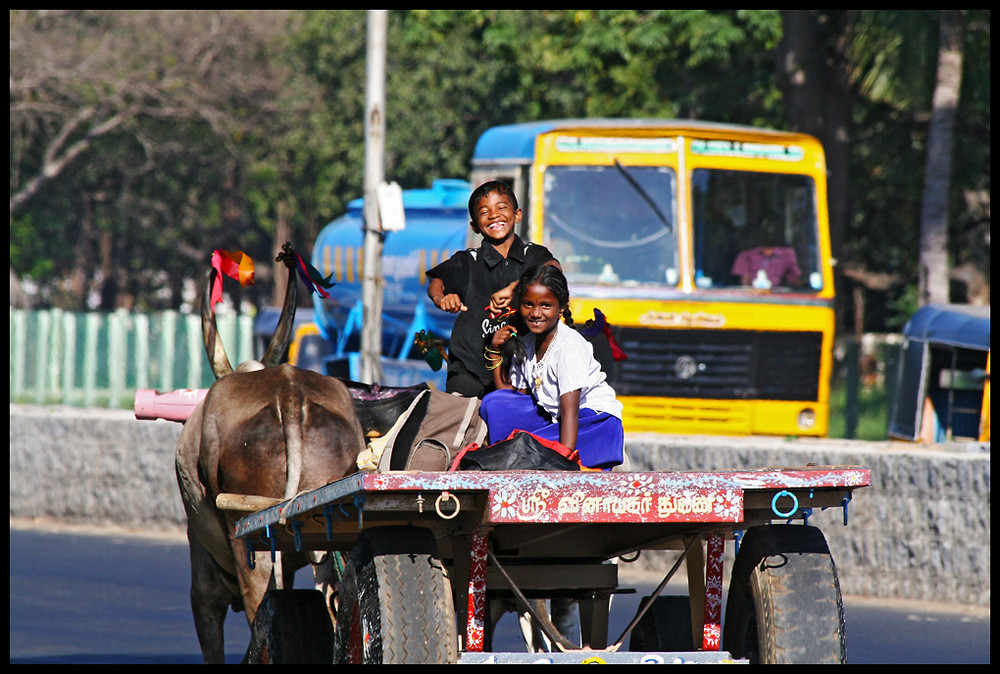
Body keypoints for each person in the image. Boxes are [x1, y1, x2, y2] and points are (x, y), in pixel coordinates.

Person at [479, 264, 624, 470]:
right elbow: (510, 399)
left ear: (561, 307)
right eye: (528, 304)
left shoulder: (568, 347)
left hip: (592, 424)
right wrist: (494, 351)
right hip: (556, 420)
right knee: (494, 402)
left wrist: (561, 466)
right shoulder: (527, 342)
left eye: (546, 306)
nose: (536, 313)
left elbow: (570, 413)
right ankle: (509, 455)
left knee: (519, 454)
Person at [426, 180, 557, 397]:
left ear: (517, 215)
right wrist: (441, 298)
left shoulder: (533, 255)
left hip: (523, 369)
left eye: (502, 208)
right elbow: (436, 282)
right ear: (475, 226)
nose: (494, 215)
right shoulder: (468, 260)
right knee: (462, 425)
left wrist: (517, 288)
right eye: (484, 212)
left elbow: (553, 270)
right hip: (471, 370)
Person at [731, 244, 801, 288]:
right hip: (752, 296)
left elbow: (794, 279)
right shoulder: (747, 255)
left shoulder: (787, 254)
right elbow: (745, 280)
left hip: (778, 297)